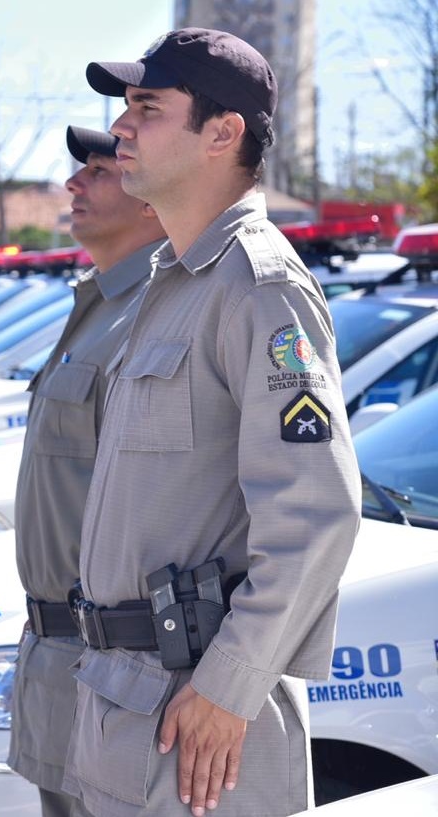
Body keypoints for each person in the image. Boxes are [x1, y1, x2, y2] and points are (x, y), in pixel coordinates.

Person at [60, 29, 360, 817]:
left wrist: (230, 686)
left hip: (199, 723)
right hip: (125, 700)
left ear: (222, 133)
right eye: (125, 108)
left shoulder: (260, 286)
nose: (121, 127)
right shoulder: (177, 282)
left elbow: (317, 511)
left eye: (147, 108)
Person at [7, 125, 166, 817]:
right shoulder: (100, 304)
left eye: (98, 171)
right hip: (58, 654)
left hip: (106, 659)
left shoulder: (154, 312)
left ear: (151, 200)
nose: (74, 183)